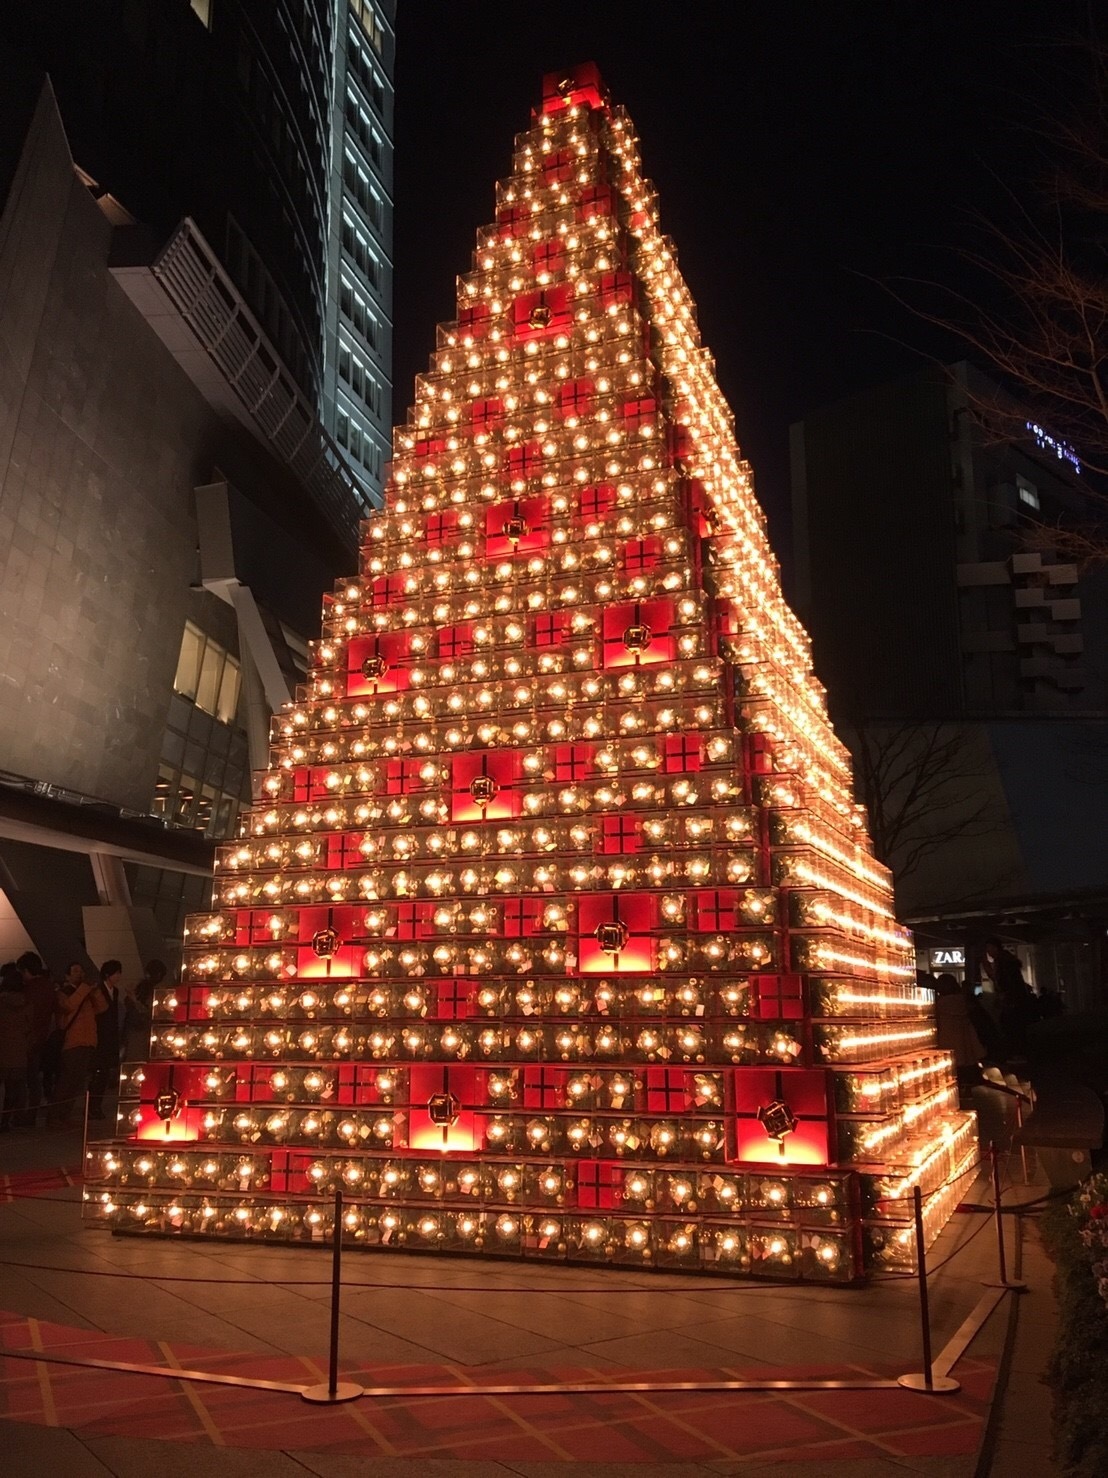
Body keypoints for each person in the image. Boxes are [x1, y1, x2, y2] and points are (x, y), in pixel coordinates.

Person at [49, 962, 107, 1127]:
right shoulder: (63, 992)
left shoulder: (86, 993)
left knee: (77, 1082)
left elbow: (102, 1008)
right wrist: (83, 989)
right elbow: (68, 1006)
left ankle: (65, 1114)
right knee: (66, 1081)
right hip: (72, 1042)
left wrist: (94, 990)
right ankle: (54, 1115)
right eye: (75, 971)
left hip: (88, 1041)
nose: (79, 973)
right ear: (67, 976)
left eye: (80, 970)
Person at [17, 950, 59, 1121]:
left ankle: (20, 1115)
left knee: (22, 1080)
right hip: (43, 1037)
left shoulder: (28, 989)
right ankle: (31, 1114)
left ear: (26, 971)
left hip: (25, 1039)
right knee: (35, 1080)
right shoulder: (49, 987)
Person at [982, 937, 1039, 1058]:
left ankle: (1016, 1054)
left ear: (994, 947)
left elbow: (1003, 982)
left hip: (1012, 1002)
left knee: (1010, 1027)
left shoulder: (1002, 962)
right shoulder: (1008, 961)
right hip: (1016, 1001)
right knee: (1015, 1028)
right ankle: (1019, 1053)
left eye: (989, 948)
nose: (988, 952)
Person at [932, 972, 985, 1099]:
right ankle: (967, 1089)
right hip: (964, 1036)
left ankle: (954, 1092)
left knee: (951, 1065)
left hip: (947, 1036)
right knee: (965, 1062)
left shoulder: (940, 1004)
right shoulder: (962, 1001)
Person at [88, 959, 123, 1121]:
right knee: (98, 1074)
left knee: (104, 1074)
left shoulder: (114, 991)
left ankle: (96, 1106)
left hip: (110, 1036)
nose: (119, 976)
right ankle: (92, 1107)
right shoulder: (98, 990)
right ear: (108, 974)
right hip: (99, 1036)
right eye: (116, 973)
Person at [0, 961, 31, 1130]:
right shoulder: (26, 1004)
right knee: (14, 1089)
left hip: (2, 1050)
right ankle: (7, 1120)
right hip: (19, 1051)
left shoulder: (2, 1003)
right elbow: (29, 1027)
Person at [122, 959, 165, 1063]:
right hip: (144, 1031)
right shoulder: (157, 991)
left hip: (136, 1030)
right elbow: (150, 1012)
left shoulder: (140, 988)